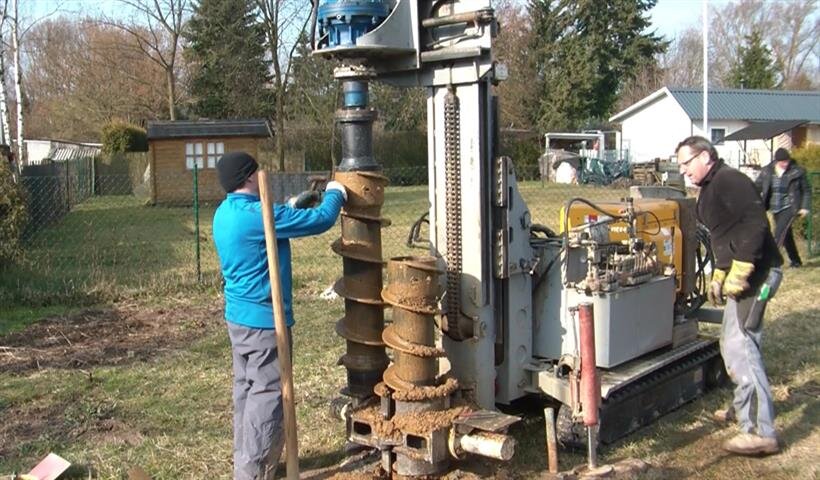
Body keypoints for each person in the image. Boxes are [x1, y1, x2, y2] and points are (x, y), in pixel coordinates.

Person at [212, 151, 346, 479]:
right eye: (258, 172)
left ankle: (246, 461)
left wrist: (292, 205)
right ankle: (254, 472)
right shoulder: (258, 216)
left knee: (246, 389)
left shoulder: (225, 212)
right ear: (248, 177)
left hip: (238, 319)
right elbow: (321, 221)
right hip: (264, 322)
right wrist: (335, 194)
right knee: (268, 395)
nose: (263, 177)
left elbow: (272, 220)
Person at [676, 136, 783, 456]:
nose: (683, 170)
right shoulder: (709, 189)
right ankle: (743, 407)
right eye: (679, 164)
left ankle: (761, 431)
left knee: (743, 346)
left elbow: (754, 226)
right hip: (743, 275)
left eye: (687, 162)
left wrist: (742, 269)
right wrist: (721, 271)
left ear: (706, 156)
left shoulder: (731, 181)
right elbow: (725, 235)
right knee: (730, 343)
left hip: (760, 274)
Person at [754, 147, 811, 267]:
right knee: (786, 236)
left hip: (790, 206)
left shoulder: (797, 171)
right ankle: (795, 261)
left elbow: (806, 190)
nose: (785, 164)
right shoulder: (767, 171)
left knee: (779, 233)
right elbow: (756, 187)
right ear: (776, 161)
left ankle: (771, 262)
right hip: (774, 207)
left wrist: (805, 207)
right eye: (782, 162)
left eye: (787, 161)